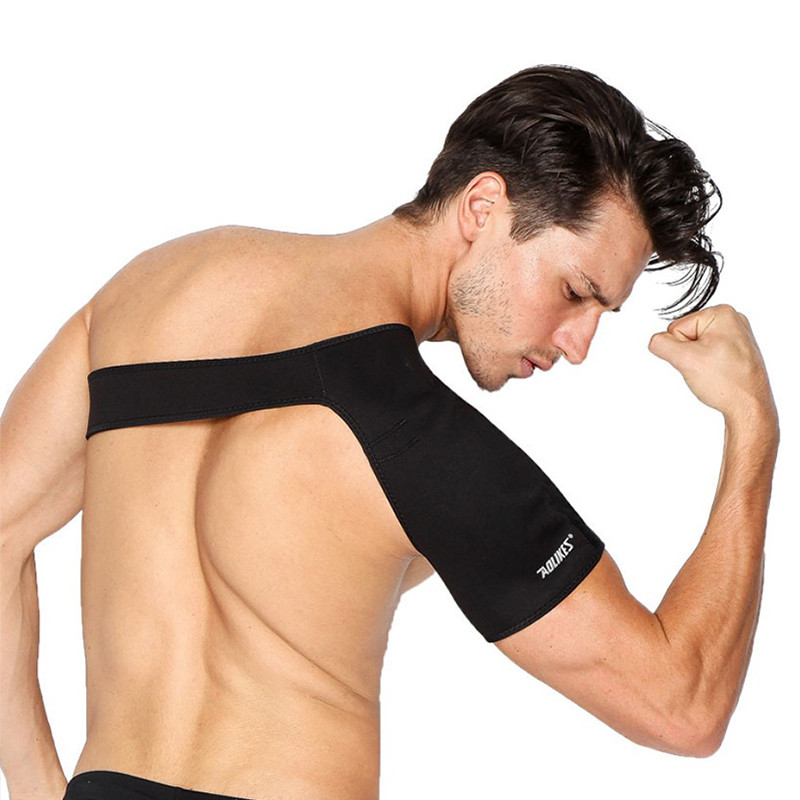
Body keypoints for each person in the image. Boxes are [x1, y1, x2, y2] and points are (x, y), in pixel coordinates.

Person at [0, 65, 779, 800]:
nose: (579, 345)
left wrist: (40, 789)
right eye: (576, 291)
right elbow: (683, 705)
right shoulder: (418, 440)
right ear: (483, 207)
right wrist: (754, 425)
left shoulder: (152, 287)